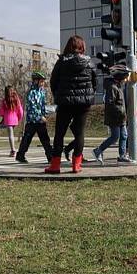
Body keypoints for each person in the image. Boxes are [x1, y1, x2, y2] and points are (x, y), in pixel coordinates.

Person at [45, 35, 97, 174]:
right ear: (82, 47)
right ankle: (76, 165)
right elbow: (94, 83)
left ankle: (55, 165)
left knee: (59, 133)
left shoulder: (61, 62)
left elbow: (53, 81)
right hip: (83, 104)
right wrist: (87, 95)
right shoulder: (89, 63)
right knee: (79, 134)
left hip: (65, 102)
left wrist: (58, 95)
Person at [92, 64, 131, 165]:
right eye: (125, 77)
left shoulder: (118, 86)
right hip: (114, 117)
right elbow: (111, 103)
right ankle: (98, 150)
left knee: (124, 135)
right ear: (120, 77)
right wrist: (120, 112)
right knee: (115, 136)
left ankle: (122, 156)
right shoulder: (112, 87)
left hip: (121, 117)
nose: (126, 79)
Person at [16, 71, 53, 164]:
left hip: (41, 120)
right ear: (36, 81)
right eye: (41, 81)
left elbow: (42, 105)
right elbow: (32, 106)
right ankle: (20, 155)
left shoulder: (42, 92)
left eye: (43, 81)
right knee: (27, 138)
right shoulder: (31, 92)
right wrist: (40, 116)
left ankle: (50, 156)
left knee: (45, 139)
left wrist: (45, 115)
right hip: (32, 120)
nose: (43, 83)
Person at [0, 86, 24, 159]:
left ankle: (13, 150)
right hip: (15, 119)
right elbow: (21, 111)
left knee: (10, 135)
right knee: (12, 134)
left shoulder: (4, 100)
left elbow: (1, 111)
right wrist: (19, 118)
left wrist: (3, 116)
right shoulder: (16, 100)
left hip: (8, 119)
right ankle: (13, 149)